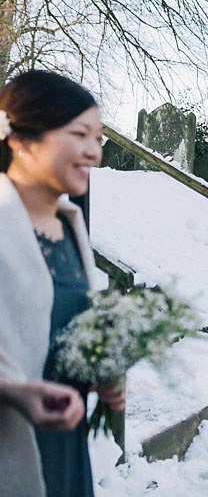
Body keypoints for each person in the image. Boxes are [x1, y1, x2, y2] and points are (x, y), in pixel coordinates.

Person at [0, 70, 125, 497]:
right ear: (21, 140)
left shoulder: (71, 228)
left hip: (66, 454)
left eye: (99, 139)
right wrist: (15, 393)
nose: (94, 153)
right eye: (79, 134)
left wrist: (99, 371)